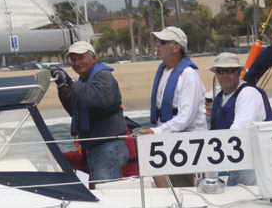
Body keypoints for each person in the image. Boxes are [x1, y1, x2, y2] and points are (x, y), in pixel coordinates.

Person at [50, 41, 128, 187]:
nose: (77, 63)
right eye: (73, 59)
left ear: (94, 58)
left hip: (108, 147)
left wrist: (71, 83)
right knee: (101, 190)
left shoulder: (104, 76)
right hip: (97, 147)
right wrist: (63, 87)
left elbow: (96, 101)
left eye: (81, 58)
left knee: (106, 191)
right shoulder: (84, 81)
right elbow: (74, 110)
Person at [140, 26, 206, 187]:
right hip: (167, 142)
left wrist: (156, 131)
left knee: (183, 187)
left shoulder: (188, 75)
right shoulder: (164, 71)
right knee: (165, 186)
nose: (158, 45)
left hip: (188, 144)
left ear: (176, 47)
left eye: (162, 42)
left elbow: (186, 117)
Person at [208, 52, 272, 185]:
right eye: (220, 71)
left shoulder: (248, 93)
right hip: (232, 161)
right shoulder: (219, 98)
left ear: (239, 73)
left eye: (230, 71)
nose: (225, 75)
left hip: (253, 164)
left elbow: (240, 129)